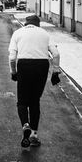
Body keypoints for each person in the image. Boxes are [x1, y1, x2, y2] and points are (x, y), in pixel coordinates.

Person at [8, 14, 60, 147]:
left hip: (24, 65)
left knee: (22, 101)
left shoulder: (18, 33)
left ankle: (25, 124)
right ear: (38, 24)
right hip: (41, 66)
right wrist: (55, 72)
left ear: (26, 23)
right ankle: (34, 135)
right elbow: (56, 54)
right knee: (35, 100)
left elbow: (12, 58)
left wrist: (14, 73)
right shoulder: (45, 34)